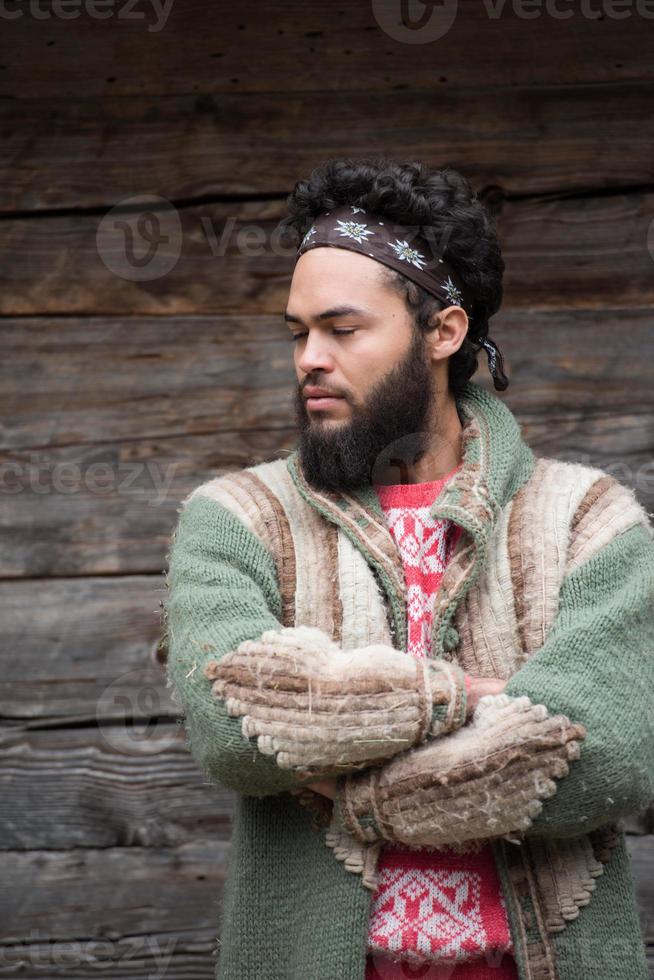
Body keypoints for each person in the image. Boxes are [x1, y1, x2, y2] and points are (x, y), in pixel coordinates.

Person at [161, 157, 654, 980]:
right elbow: (231, 727)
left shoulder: (587, 522)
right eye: (298, 332)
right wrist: (459, 699)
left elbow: (604, 759)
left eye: (342, 329)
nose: (308, 358)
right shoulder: (237, 519)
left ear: (443, 332)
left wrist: (346, 782)